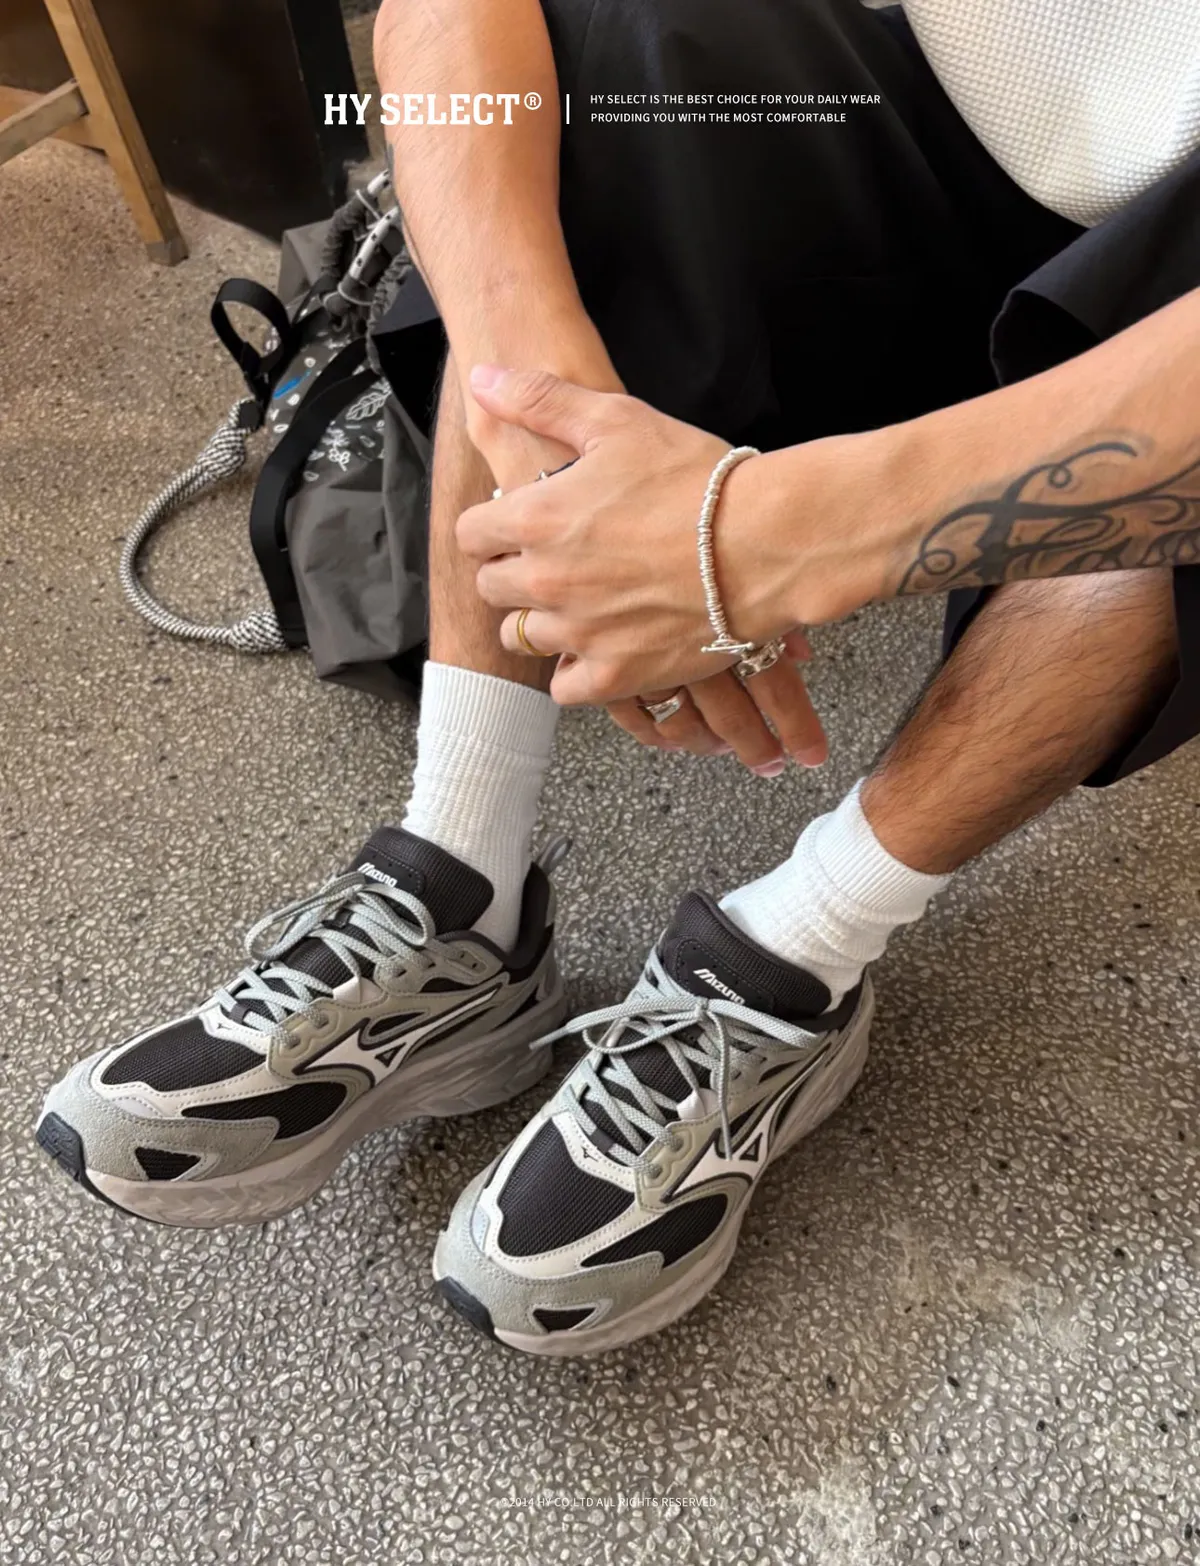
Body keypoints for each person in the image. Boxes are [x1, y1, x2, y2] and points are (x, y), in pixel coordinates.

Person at [37, 0, 1199, 1356]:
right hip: (963, 116)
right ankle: (457, 888)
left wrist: (739, 546)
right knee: (594, 68)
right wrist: (552, 434)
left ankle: (798, 953)